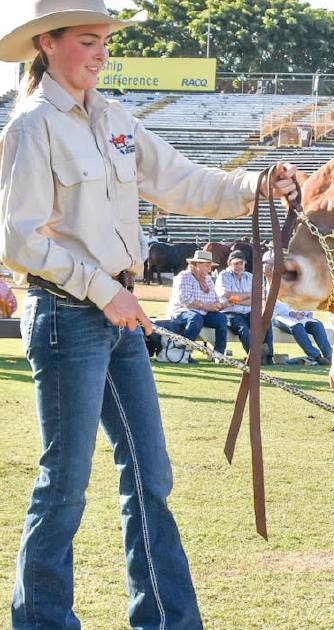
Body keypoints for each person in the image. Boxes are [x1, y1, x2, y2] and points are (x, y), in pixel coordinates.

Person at [0, 2, 296, 627]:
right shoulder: (30, 127)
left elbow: (185, 181)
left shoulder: (116, 119)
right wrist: (102, 291)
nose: (101, 53)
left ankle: (167, 619)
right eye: (88, 40)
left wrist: (257, 185)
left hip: (116, 316)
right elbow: (19, 240)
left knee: (149, 474)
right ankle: (41, 621)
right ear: (47, 45)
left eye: (104, 40)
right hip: (67, 315)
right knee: (65, 483)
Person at [163, 249, 229, 357]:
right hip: (182, 312)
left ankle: (218, 354)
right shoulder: (184, 276)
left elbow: (214, 299)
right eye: (207, 265)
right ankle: (184, 353)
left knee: (221, 318)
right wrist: (207, 306)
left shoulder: (208, 279)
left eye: (210, 265)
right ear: (197, 264)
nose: (210, 268)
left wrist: (219, 305)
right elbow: (185, 300)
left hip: (203, 313)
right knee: (195, 318)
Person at [217, 248, 274, 361]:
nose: (239, 266)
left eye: (241, 263)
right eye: (236, 263)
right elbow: (227, 294)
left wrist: (235, 300)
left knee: (265, 323)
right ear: (229, 263)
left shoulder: (250, 277)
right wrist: (248, 295)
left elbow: (257, 299)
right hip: (230, 312)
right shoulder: (224, 276)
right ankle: (255, 358)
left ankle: (268, 356)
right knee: (244, 329)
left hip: (248, 311)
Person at [273, 298, 331, 365]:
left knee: (317, 324)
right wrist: (292, 313)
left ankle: (329, 355)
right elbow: (278, 307)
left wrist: (308, 313)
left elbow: (304, 303)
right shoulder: (276, 290)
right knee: (297, 326)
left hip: (301, 317)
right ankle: (316, 356)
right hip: (281, 317)